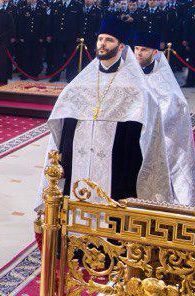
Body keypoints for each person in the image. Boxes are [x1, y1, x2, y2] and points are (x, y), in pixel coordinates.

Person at [44, 17, 171, 202]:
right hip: (79, 158)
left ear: (121, 47)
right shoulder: (80, 83)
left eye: (109, 40)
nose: (102, 44)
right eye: (100, 39)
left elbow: (141, 135)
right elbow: (65, 125)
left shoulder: (136, 87)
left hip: (116, 163)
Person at [133, 31, 195, 205]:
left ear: (155, 52)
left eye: (144, 50)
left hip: (159, 136)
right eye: (136, 49)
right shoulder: (130, 72)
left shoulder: (162, 78)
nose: (139, 53)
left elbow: (173, 107)